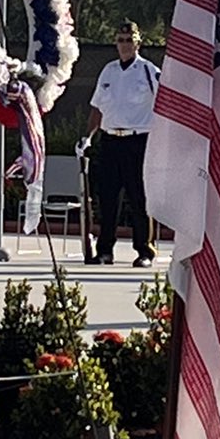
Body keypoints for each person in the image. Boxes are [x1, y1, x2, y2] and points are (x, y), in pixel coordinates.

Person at [78, 21, 159, 267]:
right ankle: (105, 251)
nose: (124, 45)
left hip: (138, 140)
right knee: (108, 198)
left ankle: (144, 250)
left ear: (138, 43)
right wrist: (88, 136)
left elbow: (164, 106)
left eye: (128, 40)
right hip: (111, 139)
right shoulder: (109, 71)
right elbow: (98, 107)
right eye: (120, 40)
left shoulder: (149, 71)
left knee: (139, 198)